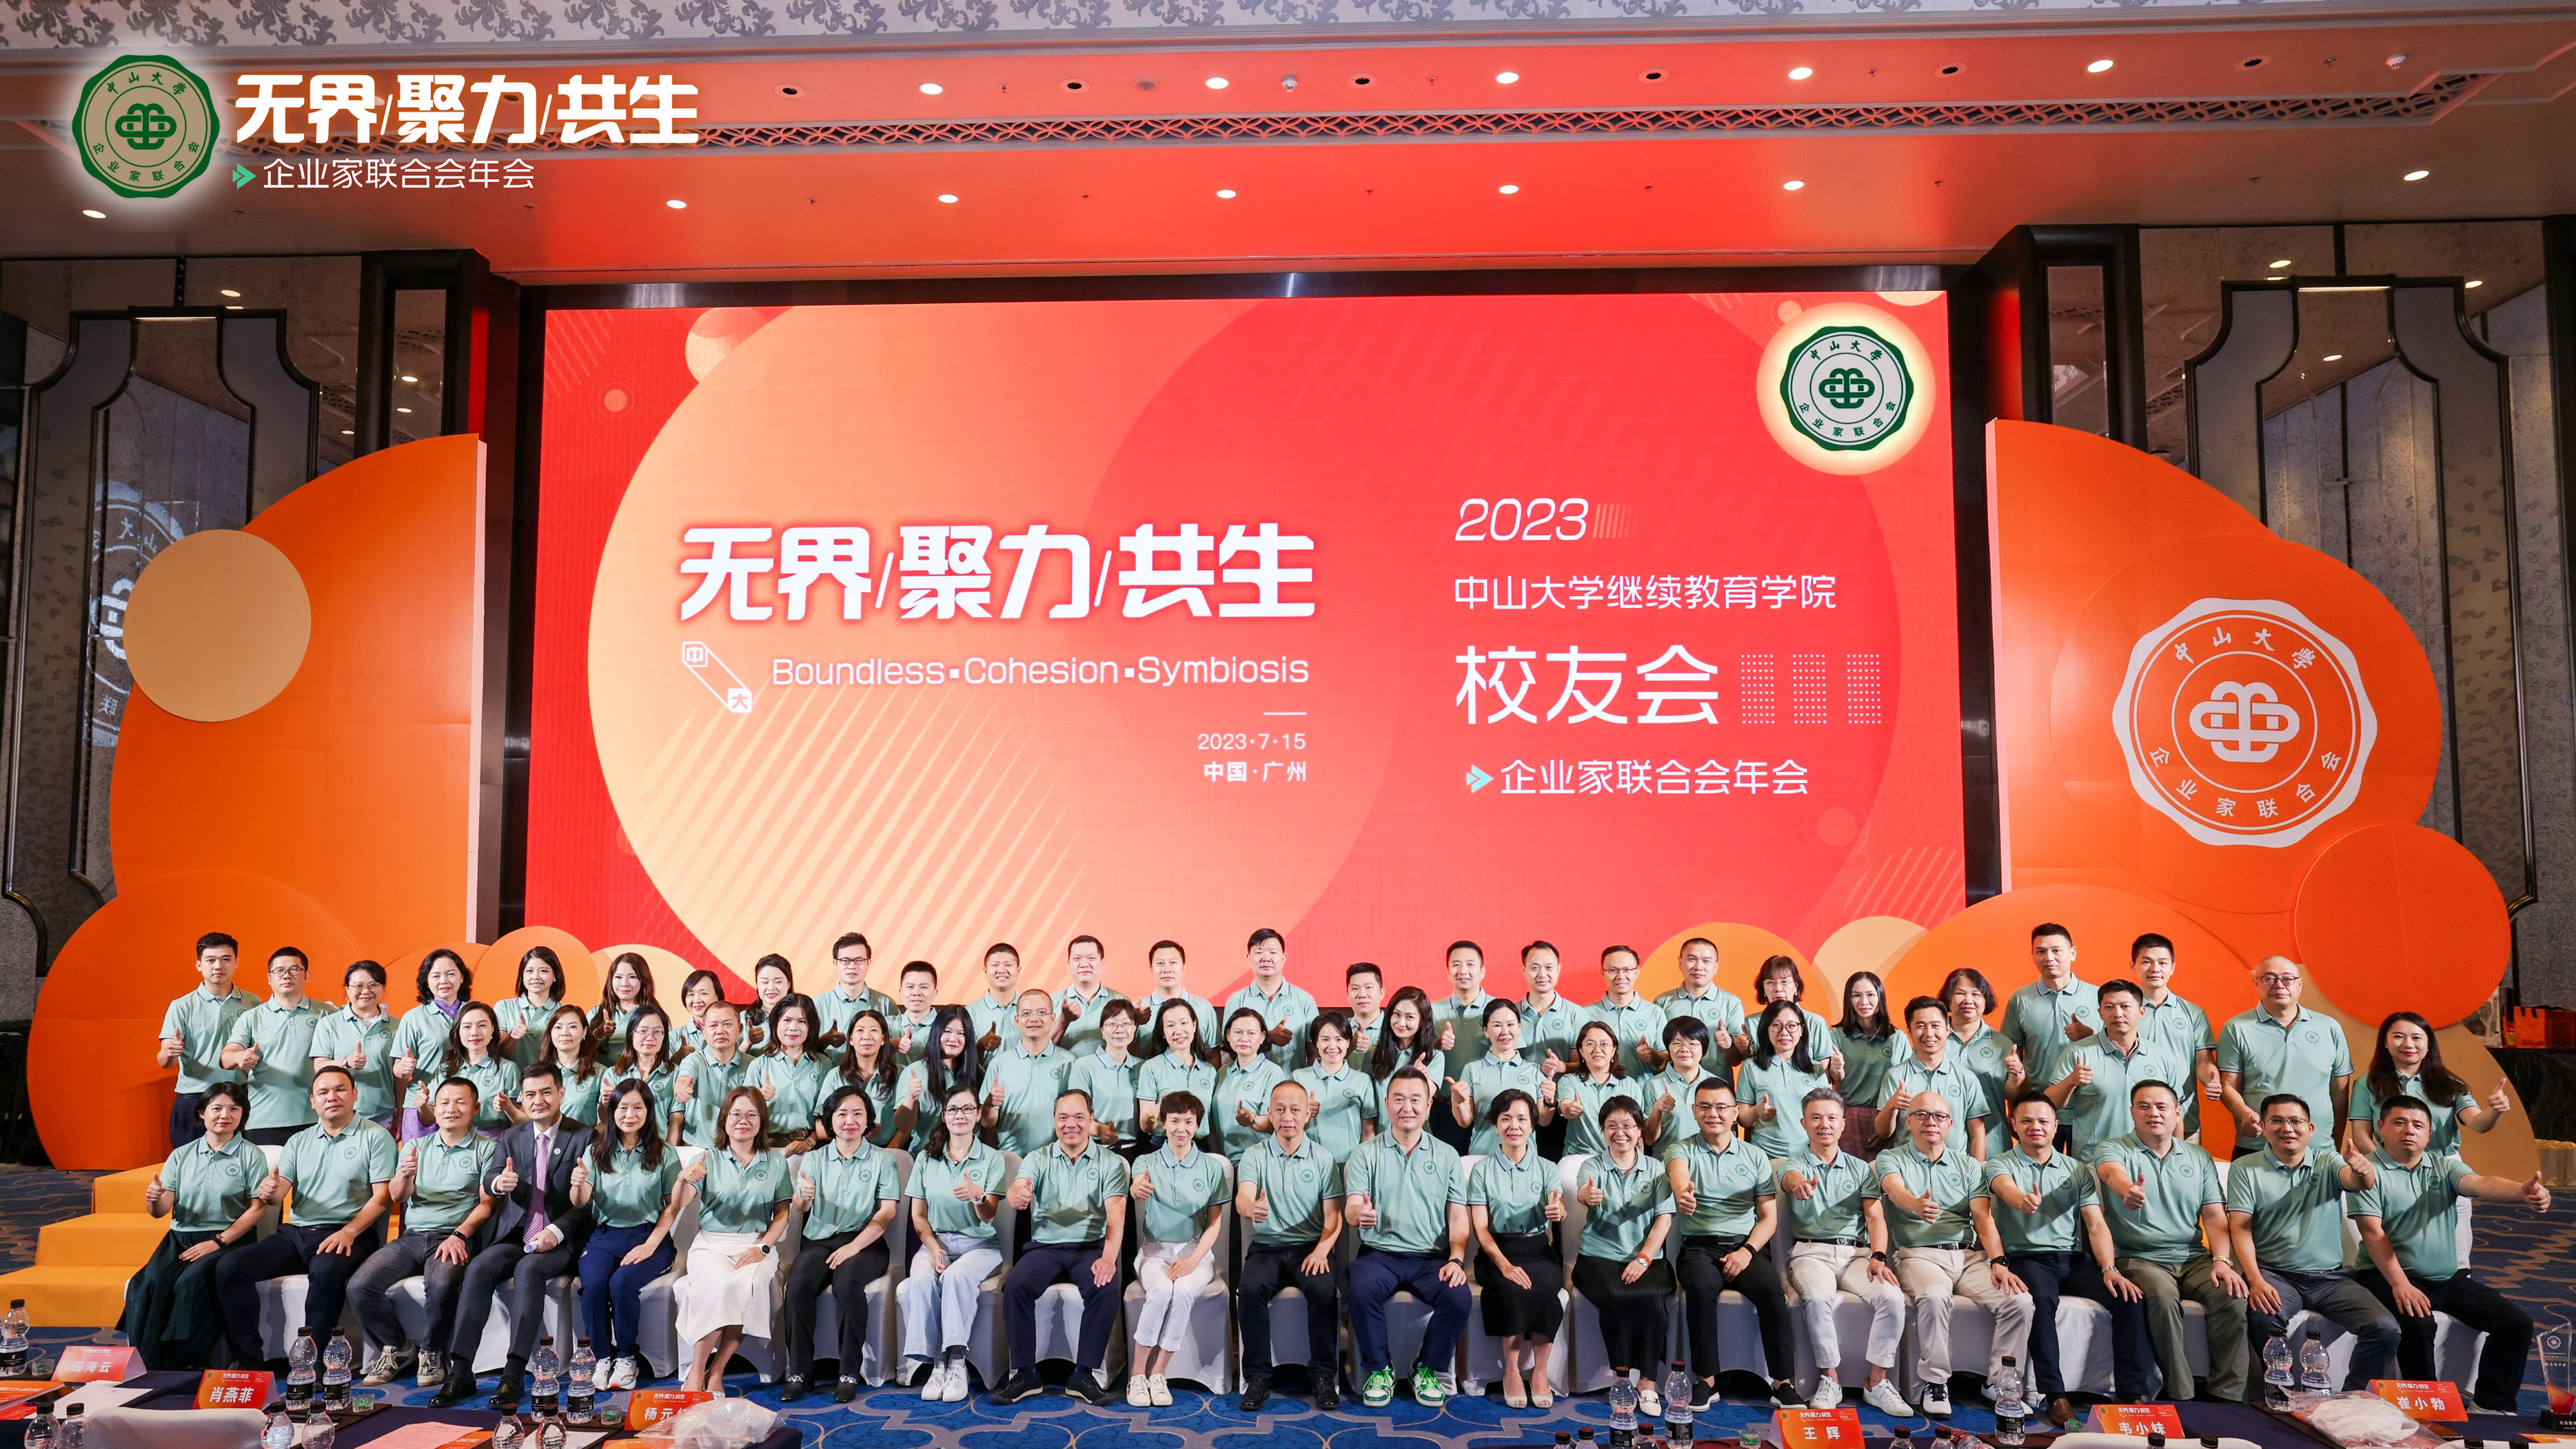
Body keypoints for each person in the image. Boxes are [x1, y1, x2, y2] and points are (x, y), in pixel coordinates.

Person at [2351, 1095, 2550, 1414]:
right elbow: (2373, 1232)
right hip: (2385, 1275)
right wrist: (2401, 1285)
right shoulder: (2367, 1172)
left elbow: (2480, 1184)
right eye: (2399, 1122)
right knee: (2418, 1323)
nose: (2409, 1130)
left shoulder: (2443, 1165)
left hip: (2446, 1279)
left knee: (2516, 1323)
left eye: (2418, 1125)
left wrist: (2521, 1192)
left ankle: (2492, 1407)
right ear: (2381, 1127)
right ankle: (2428, 1409)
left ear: (2429, 1133)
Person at [432, 1062, 595, 1410]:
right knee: (478, 1268)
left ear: (561, 1093)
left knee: (529, 1269)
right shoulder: (511, 1136)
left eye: (546, 1092)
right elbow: (492, 1174)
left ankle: (514, 1372)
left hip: (560, 1238)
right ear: (522, 1098)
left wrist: (555, 1231)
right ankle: (460, 1371)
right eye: (530, 1094)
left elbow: (588, 1204)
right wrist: (497, 1183)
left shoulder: (584, 1137)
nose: (538, 1100)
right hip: (516, 1233)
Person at [213, 1066, 397, 1371]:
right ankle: (251, 1362)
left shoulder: (376, 1138)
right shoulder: (299, 1141)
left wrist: (349, 1232)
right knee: (230, 1268)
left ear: (355, 1094)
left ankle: (316, 1368)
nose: (332, 1097)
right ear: (313, 1101)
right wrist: (269, 1191)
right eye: (323, 1092)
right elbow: (278, 1194)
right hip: (298, 1233)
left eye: (340, 1090)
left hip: (348, 1234)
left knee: (325, 1274)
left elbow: (382, 1198)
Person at [1984, 1094, 2151, 1422]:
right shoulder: (2000, 1163)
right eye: (2026, 1121)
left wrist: (2110, 1269)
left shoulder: (2076, 1169)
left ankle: (2131, 1392)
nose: (2035, 1127)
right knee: (2040, 1301)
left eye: (2043, 1121)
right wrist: (2022, 1201)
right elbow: (2004, 1189)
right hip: (2027, 1258)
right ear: (2014, 1125)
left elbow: (2095, 1223)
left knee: (2128, 1297)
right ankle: (2055, 1394)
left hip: (2073, 1260)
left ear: (2056, 1126)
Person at [1872, 1091, 2034, 1417]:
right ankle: (1935, 1382)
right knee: (1934, 1296)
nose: (1930, 1122)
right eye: (1921, 1115)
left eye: (1939, 1116)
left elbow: (1983, 1218)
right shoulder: (1892, 1158)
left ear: (1950, 1124)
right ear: (1908, 1122)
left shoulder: (1969, 1165)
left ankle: (2000, 1383)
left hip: (1967, 1257)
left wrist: (1998, 1262)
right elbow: (1893, 1188)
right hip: (1918, 1255)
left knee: (2019, 1301)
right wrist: (1916, 1204)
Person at [2089, 1080, 2249, 1401]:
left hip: (2193, 1258)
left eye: (2162, 1107)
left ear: (2177, 1113)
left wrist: (2222, 1261)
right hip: (2138, 1258)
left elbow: (2215, 1216)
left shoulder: (2199, 1156)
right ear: (2132, 1112)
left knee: (2232, 1296)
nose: (2154, 1113)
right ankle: (2181, 1394)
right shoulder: (2114, 1148)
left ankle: (2227, 1396)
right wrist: (2127, 1190)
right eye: (2144, 1106)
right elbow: (2110, 1172)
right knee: (2162, 1298)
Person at [2227, 1093, 2395, 1391]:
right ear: (2263, 1126)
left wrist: (2363, 1171)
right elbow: (2240, 1230)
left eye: (2296, 1121)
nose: (2287, 1128)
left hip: (2330, 1279)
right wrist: (2255, 1279)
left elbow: (2356, 1182)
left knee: (2385, 1328)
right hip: (2276, 1275)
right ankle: (2282, 1395)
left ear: (2311, 1128)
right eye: (2277, 1121)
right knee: (2264, 1319)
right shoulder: (2245, 1167)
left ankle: (2354, 1397)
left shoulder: (2328, 1161)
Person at [350, 1077, 496, 1390]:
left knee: (440, 1284)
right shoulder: (417, 1146)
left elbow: (487, 1205)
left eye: (460, 1102)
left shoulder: (487, 1149)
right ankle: (398, 1346)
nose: (451, 1109)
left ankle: (431, 1351)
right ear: (434, 1109)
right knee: (360, 1287)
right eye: (444, 1103)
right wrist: (404, 1176)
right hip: (413, 1236)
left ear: (475, 1109)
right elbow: (397, 1195)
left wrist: (460, 1235)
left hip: (455, 1236)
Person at [1774, 1088, 1911, 1415]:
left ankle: (1877, 1383)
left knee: (1893, 1298)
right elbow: (1790, 1178)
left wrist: (1878, 1256)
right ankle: (1830, 1379)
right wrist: (1799, 1184)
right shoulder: (1794, 1164)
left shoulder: (1861, 1168)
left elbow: (1875, 1218)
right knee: (1818, 1297)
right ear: (1804, 1123)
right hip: (1810, 1253)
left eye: (1832, 1118)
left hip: (1856, 1256)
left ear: (1843, 1124)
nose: (1825, 1124)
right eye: (1816, 1118)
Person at [1668, 1080, 1800, 1410]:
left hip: (1746, 1247)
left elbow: (1768, 1218)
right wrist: (1684, 1194)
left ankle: (1783, 1383)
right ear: (1694, 1111)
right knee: (1700, 1288)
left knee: (1772, 1291)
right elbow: (1679, 1174)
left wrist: (1747, 1252)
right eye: (1705, 1107)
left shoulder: (1755, 1156)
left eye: (1721, 1107)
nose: (1713, 1114)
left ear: (1736, 1112)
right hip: (1699, 1248)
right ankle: (1707, 1380)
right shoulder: (1681, 1149)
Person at [994, 1088, 1130, 1406]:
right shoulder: (1038, 1157)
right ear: (1054, 1120)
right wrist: (1018, 1195)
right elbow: (1018, 1188)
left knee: (1105, 1286)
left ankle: (1083, 1374)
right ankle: (1026, 1374)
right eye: (1064, 1117)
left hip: (1089, 1247)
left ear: (1091, 1119)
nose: (1071, 1124)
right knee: (1015, 1285)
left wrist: (1108, 1258)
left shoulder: (1110, 1162)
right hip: (1046, 1247)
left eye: (1079, 1117)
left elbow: (1116, 1215)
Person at [1345, 1068, 1471, 1409]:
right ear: (1387, 1104)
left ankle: (1426, 1368)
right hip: (1379, 1254)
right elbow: (1352, 1207)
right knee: (1361, 1289)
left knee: (1459, 1298)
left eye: (1416, 1100)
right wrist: (1359, 1214)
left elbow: (1458, 1217)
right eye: (1399, 1099)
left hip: (1431, 1257)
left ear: (1428, 1105)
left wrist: (1456, 1259)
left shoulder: (1447, 1155)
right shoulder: (1365, 1153)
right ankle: (1379, 1369)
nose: (1407, 1107)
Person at [122, 1082, 266, 1369]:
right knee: (149, 1283)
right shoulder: (181, 1155)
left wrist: (218, 1242)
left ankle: (187, 1361)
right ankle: (149, 1361)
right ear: (202, 1113)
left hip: (229, 1239)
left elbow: (258, 1208)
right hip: (180, 1238)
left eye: (234, 1109)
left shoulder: (251, 1155)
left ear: (242, 1115)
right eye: (217, 1108)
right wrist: (154, 1199)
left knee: (191, 1283)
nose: (225, 1115)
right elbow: (161, 1211)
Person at [779, 1086, 901, 1401]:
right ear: (829, 1121)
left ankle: (848, 1372)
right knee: (798, 1284)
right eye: (842, 1114)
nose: (850, 1120)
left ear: (868, 1120)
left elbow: (887, 1212)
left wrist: (854, 1247)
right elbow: (800, 1206)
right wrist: (803, 1197)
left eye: (858, 1114)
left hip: (867, 1243)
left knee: (847, 1284)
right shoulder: (814, 1159)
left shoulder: (882, 1159)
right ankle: (799, 1372)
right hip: (819, 1241)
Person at [671, 1086, 794, 1393]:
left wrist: (762, 1247)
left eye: (752, 1114)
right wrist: (683, 1178)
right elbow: (681, 1201)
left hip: (757, 1243)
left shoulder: (775, 1162)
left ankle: (716, 1372)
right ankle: (696, 1373)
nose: (743, 1120)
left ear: (761, 1121)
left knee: (746, 1286)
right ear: (724, 1120)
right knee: (720, 1286)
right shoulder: (707, 1158)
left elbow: (782, 1214)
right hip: (711, 1244)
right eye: (736, 1114)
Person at [1236, 1080, 1347, 1411]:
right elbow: (1243, 1198)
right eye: (1280, 1110)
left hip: (1311, 1247)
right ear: (1269, 1114)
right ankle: (1258, 1377)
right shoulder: (1255, 1155)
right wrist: (1251, 1209)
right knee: (1250, 1289)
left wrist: (1322, 1251)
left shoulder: (1323, 1158)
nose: (1288, 1117)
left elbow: (1334, 1216)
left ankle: (1323, 1375)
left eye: (1295, 1110)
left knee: (1324, 1291)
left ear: (1307, 1114)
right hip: (1267, 1247)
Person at [571, 1078, 683, 1396]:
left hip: (650, 1237)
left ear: (649, 1111)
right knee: (593, 1286)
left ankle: (626, 1357)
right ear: (612, 1112)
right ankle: (601, 1357)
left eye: (638, 1107)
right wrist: (578, 1183)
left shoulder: (665, 1153)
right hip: (605, 1236)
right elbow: (580, 1201)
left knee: (621, 1284)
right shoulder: (596, 1151)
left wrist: (650, 1245)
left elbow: (672, 1207)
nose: (630, 1115)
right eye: (623, 1108)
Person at [898, 1083, 1008, 1401]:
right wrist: (935, 1251)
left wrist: (978, 1195)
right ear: (944, 1116)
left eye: (968, 1109)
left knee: (956, 1277)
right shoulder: (926, 1158)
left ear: (978, 1114)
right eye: (954, 1109)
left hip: (980, 1245)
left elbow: (988, 1216)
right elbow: (918, 1217)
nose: (961, 1115)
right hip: (935, 1242)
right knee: (920, 1278)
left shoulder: (992, 1158)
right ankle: (937, 1363)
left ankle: (957, 1361)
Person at [1571, 1095, 1676, 1417]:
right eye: (1612, 1126)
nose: (1620, 1133)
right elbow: (1584, 1191)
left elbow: (1664, 1220)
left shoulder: (1656, 1169)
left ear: (1640, 1130)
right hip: (1598, 1257)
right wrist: (1588, 1196)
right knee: (1616, 1295)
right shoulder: (1592, 1166)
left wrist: (1643, 1258)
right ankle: (1621, 1380)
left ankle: (1647, 1382)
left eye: (1628, 1125)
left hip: (1647, 1257)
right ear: (1603, 1131)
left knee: (1652, 1297)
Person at [1128, 1092, 1230, 1406]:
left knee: (1183, 1290)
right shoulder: (1146, 1161)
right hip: (1153, 1251)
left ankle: (1158, 1374)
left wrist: (1193, 1260)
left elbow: (1214, 1225)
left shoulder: (1211, 1167)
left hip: (1196, 1251)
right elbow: (1136, 1185)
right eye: (1174, 1121)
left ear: (1197, 1125)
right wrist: (1137, 1188)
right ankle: (1136, 1375)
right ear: (1163, 1123)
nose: (1181, 1129)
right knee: (1161, 1291)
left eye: (1188, 1122)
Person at [1468, 1088, 1565, 1409]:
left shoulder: (1547, 1168)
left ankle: (1540, 1372)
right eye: (1506, 1118)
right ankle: (1511, 1370)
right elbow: (1481, 1229)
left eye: (1522, 1119)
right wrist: (1505, 1266)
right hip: (1496, 1251)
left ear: (1532, 1126)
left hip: (1538, 1249)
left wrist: (1558, 1210)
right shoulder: (1482, 1171)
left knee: (1545, 1289)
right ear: (1496, 1126)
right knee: (1512, 1288)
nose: (1514, 1125)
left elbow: (1557, 1203)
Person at [2217, 956, 2353, 1154]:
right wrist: (2244, 1114)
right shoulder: (2236, 1028)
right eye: (2269, 978)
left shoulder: (2329, 1027)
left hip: (2319, 1149)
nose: (2279, 985)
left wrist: (2335, 1143)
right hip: (2257, 1148)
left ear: (2300, 984)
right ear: (2256, 983)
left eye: (2288, 979)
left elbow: (2340, 1094)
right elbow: (2228, 1086)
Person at [2049, 980, 2191, 1153]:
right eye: (2109, 1007)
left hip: (2149, 1159)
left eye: (2125, 1007)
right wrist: (2071, 1081)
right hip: (2093, 1159)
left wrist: (2177, 1156)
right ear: (2100, 1013)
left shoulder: (2163, 1057)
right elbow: (2050, 1103)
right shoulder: (2077, 1053)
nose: (2118, 1014)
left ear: (2141, 1012)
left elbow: (2175, 1114)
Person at [2349, 1011, 2511, 1157]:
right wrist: (2386, 1167)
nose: (2408, 1044)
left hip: (2445, 1167)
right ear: (2385, 1042)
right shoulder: (2367, 1084)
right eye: (2398, 1037)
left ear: (2429, 1045)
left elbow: (2478, 1123)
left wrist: (2495, 1110)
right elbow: (2361, 1137)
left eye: (2417, 1038)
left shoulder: (2449, 1084)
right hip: (2389, 1167)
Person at [222, 946, 324, 1145]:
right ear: (269, 978)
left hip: (317, 1116)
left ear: (307, 975)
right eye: (279, 971)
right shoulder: (251, 1018)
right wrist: (239, 1057)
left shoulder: (326, 1013)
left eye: (295, 969)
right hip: (264, 1119)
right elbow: (226, 1057)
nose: (287, 975)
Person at [156, 932, 250, 1147]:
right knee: (190, 1163)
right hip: (194, 1097)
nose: (218, 966)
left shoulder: (252, 1002)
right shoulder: (181, 1006)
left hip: (237, 1096)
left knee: (237, 1163)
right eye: (211, 960)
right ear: (199, 965)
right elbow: (164, 1061)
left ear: (236, 962)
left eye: (226, 959)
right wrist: (170, 1053)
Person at [2128, 935, 2220, 1136]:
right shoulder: (2122, 1012)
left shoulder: (2193, 1013)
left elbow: (2204, 1062)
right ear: (2133, 966)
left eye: (2163, 963)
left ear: (2172, 968)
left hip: (2184, 1119)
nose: (2155, 969)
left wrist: (2212, 1081)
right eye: (2147, 962)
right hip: (2132, 1122)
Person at [1879, 997, 1991, 1159]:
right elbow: (1882, 1133)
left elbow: (1977, 1133)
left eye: (1935, 1026)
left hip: (1956, 1168)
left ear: (1947, 1029)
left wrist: (1976, 1171)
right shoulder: (1895, 1076)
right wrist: (1891, 1106)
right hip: (1907, 1166)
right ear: (1909, 1031)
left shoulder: (1967, 1078)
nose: (1929, 1033)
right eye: (1920, 1026)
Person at [2002, 924, 2099, 1098]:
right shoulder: (2020, 999)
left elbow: (2119, 1047)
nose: (2049, 958)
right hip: (2038, 1104)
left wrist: (2092, 1036)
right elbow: (2013, 1057)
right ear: (2033, 955)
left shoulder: (2099, 996)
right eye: (2041, 952)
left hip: (2089, 1102)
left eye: (2056, 951)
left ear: (2073, 953)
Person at [986, 988, 1077, 1157]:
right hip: (1011, 1158)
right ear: (1017, 1020)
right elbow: (986, 1123)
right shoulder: (999, 1063)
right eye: (1026, 1013)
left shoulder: (1071, 1062)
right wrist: (989, 1104)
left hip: (1058, 1158)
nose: (1034, 1019)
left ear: (1053, 1018)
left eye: (1041, 1012)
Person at [1740, 1001, 1837, 1160]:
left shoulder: (1816, 1069)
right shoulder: (1751, 1066)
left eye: (1792, 1026)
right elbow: (1743, 1118)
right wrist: (1757, 1111)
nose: (1784, 1032)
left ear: (1802, 1030)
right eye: (1776, 1025)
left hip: (1808, 1157)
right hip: (1765, 1157)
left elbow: (1827, 1115)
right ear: (1766, 1029)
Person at [1455, 998, 1550, 1159]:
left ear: (1519, 1028)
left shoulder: (1535, 1070)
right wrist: (1457, 1102)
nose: (1505, 1032)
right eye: (1497, 1025)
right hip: (1482, 1156)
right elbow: (1465, 1121)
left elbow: (1543, 1121)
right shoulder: (1472, 1070)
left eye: (1511, 1025)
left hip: (1524, 1159)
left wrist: (1550, 1102)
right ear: (1486, 1031)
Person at [394, 950, 472, 1138]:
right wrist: (403, 1067)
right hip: (422, 1102)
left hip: (462, 1104)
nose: (444, 981)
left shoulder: (475, 1013)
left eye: (451, 974)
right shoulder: (413, 1018)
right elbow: (398, 1071)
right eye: (436, 976)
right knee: (417, 1156)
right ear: (427, 981)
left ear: (462, 978)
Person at [313, 960, 399, 1128]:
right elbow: (319, 1067)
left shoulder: (397, 1026)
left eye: (373, 985)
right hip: (336, 1115)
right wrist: (346, 1062)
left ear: (383, 988)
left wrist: (401, 1116)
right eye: (358, 985)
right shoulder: (328, 1024)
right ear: (347, 989)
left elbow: (399, 1078)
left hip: (382, 1116)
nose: (366, 991)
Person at [1941, 969, 2020, 1148]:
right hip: (1943, 1144)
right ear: (1948, 998)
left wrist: (2018, 1073)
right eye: (1960, 993)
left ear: (1985, 1000)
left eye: (1976, 994)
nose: (1968, 1000)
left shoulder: (2002, 1044)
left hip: (1992, 1141)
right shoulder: (1934, 1039)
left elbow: (2014, 1097)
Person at [1225, 927, 1320, 1069]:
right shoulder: (1237, 1001)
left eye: (1273, 952)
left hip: (1292, 1081)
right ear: (1249, 958)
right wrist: (1269, 1038)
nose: (1266, 958)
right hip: (1249, 1081)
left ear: (1283, 958)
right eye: (1259, 953)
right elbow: (1231, 1052)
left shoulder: (1305, 1000)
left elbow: (1314, 1050)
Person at [1829, 972, 1897, 1159]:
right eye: (1856, 996)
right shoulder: (1836, 1035)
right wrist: (1836, 1070)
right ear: (1848, 1000)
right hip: (1848, 1116)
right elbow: (1831, 1077)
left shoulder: (1897, 1037)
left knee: (1885, 1173)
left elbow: (1905, 1082)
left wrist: (1885, 1122)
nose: (1864, 1002)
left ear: (1880, 997)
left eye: (1870, 995)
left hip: (1887, 1115)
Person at [1294, 1012, 1378, 1161]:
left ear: (1348, 1042)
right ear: (1316, 1042)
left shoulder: (1362, 1081)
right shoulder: (1298, 1078)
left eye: (1339, 1039)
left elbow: (1368, 1132)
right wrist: (1301, 1112)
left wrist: (1360, 1164)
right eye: (1325, 1039)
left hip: (1350, 1163)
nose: (1332, 1046)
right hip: (1308, 1162)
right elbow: (1287, 1124)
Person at [1137, 997, 1221, 1141]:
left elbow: (1211, 1124)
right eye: (1170, 1025)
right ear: (1163, 1032)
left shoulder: (1209, 1071)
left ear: (1194, 1025)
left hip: (1201, 1146)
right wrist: (1154, 1113)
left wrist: (1215, 1152)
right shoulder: (1151, 1068)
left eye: (1184, 1023)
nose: (1178, 1031)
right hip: (1164, 1144)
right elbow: (1145, 1126)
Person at [673, 998, 755, 1147]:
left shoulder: (753, 1065)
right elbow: (683, 1080)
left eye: (727, 1024)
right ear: (704, 1031)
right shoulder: (694, 1060)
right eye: (713, 1025)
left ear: (740, 1029)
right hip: (697, 1147)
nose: (720, 1031)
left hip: (740, 1148)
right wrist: (682, 1090)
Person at [753, 993, 830, 1151]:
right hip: (769, 1147)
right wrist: (758, 1098)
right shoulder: (759, 1065)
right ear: (776, 1023)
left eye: (802, 1021)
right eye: (787, 1020)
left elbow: (828, 1115)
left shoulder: (824, 1064)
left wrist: (809, 1143)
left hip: (813, 1148)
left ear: (811, 1027)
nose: (793, 1028)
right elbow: (743, 1115)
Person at [1071, 1001, 1146, 1155]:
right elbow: (1076, 1115)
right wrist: (1099, 1130)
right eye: (1112, 1024)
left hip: (1136, 1150)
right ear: (1102, 1031)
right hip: (1095, 1149)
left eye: (1126, 1023)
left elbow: (1149, 1116)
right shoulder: (1084, 1066)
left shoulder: (1144, 1067)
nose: (1120, 1029)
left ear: (1135, 1028)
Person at [1214, 1006, 1288, 1162]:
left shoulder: (1272, 1072)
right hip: (1223, 1161)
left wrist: (1252, 1119)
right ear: (1228, 1035)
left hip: (1257, 1161)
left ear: (1262, 1037)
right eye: (1238, 1032)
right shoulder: (1222, 1072)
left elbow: (1273, 1122)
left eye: (1251, 1033)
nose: (1244, 1038)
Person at [440, 1002, 523, 1135]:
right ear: (458, 1031)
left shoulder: (508, 1069)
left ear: (493, 1029)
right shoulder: (445, 1069)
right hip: (452, 1140)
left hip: (495, 1141)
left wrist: (507, 1108)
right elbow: (429, 1118)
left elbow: (517, 1122)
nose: (475, 1033)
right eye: (467, 1027)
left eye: (482, 1026)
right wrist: (422, 1104)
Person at [1657, 936, 1745, 1061]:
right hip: (1673, 1074)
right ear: (1680, 962)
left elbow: (1736, 1060)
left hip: (1717, 1074)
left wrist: (1730, 1044)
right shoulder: (1662, 1002)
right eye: (1692, 959)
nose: (1698, 967)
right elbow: (1658, 1054)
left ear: (1716, 967)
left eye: (1706, 961)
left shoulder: (1731, 1003)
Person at [1640, 1017, 1716, 1159]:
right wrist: (1658, 1109)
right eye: (1677, 1043)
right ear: (1668, 1048)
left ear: (1703, 1048)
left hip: (1708, 1164)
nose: (1684, 1049)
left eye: (1692, 1044)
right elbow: (1649, 1139)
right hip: (1666, 1163)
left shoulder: (1717, 1085)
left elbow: (1729, 1132)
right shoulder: (1653, 1085)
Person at [1555, 1021, 1630, 1164]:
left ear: (1613, 1049)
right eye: (1590, 1044)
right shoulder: (1569, 1081)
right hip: (1579, 1159)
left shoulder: (1630, 1085)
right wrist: (1570, 1109)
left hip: (1620, 1159)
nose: (1597, 1049)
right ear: (1581, 1050)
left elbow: (1638, 1133)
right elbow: (1565, 1107)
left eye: (1604, 1044)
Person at [1587, 945, 1668, 1077]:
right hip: (1599, 1089)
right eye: (1613, 970)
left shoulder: (1655, 1012)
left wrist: (1652, 1055)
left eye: (1627, 970)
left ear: (1637, 972)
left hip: (1644, 1089)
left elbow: (1666, 1062)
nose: (1621, 976)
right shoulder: (1586, 1014)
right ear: (1602, 972)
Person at [1368, 988, 1443, 1126]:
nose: (1401, 1023)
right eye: (1397, 1014)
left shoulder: (1435, 1057)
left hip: (1413, 1134)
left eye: (1410, 1017)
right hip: (1380, 1134)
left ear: (1422, 1021)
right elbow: (1366, 1103)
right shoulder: (1374, 1053)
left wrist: (1416, 1077)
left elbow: (1423, 1102)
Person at [1430, 939, 1496, 1095]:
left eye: (1470, 964)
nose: (1463, 971)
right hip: (1444, 1099)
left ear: (1482, 971)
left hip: (1486, 1099)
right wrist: (1436, 1045)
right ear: (1448, 972)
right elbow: (1415, 1053)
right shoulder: (1432, 1010)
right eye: (1456, 965)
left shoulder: (1499, 1009)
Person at [1515, 942, 1587, 1085]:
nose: (1542, 974)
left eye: (1549, 967)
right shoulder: (1511, 1013)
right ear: (1524, 970)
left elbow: (1583, 1065)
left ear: (1558, 969)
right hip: (1520, 1093)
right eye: (1535, 968)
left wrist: (1563, 1067)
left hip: (1563, 1093)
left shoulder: (1576, 1014)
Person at [1138, 940, 1221, 1059]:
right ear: (1151, 969)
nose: (1167, 969)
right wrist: (1134, 1020)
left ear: (1184, 967)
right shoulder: (1138, 1010)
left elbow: (1213, 1055)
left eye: (1173, 963)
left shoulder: (1204, 1008)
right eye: (1160, 963)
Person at [1750, 957, 1836, 1070]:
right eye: (1771, 982)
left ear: (1796, 986)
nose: (1778, 989)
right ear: (1764, 988)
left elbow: (1823, 1071)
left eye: (1784, 982)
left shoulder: (1815, 1022)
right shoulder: (1751, 1023)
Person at [834, 1009, 903, 1147]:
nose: (867, 1037)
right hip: (845, 1149)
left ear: (883, 1039)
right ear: (851, 1039)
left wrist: (888, 1153)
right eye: (860, 1030)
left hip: (887, 1149)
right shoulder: (836, 1075)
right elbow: (821, 1125)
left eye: (873, 1030)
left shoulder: (900, 1073)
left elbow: (906, 1125)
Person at [493, 946, 567, 1073]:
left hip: (550, 1081)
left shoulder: (564, 1012)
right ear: (522, 976)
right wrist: (513, 1037)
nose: (536, 977)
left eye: (543, 971)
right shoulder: (504, 1007)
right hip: (512, 1080)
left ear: (554, 975)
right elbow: (496, 1054)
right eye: (529, 971)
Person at [605, 1004, 682, 1125]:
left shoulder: (676, 1074)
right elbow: (605, 1120)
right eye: (643, 1031)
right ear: (631, 1034)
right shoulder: (613, 1074)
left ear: (664, 1036)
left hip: (660, 1138)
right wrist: (605, 1104)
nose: (650, 1038)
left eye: (657, 1032)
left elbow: (676, 1122)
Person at [815, 932, 895, 1046]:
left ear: (868, 963)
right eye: (845, 960)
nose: (852, 966)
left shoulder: (886, 1004)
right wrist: (824, 1041)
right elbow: (803, 1048)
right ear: (835, 964)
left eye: (859, 960)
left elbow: (895, 1045)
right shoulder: (817, 1004)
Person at [536, 1005, 605, 1131]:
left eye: (572, 1027)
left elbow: (608, 1120)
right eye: (558, 1027)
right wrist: (508, 1108)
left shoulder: (600, 1073)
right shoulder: (537, 1072)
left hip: (583, 1141)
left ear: (584, 1032)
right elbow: (525, 1118)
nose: (565, 1033)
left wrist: (589, 1139)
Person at [1055, 935, 1124, 1058]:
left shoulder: (1121, 1001)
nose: (1084, 964)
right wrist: (1063, 1021)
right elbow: (1040, 1048)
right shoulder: (1052, 1002)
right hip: (1064, 1070)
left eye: (1091, 958)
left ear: (1103, 963)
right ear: (1068, 965)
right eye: (1077, 959)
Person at [590, 951, 660, 1061]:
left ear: (643, 980)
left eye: (632, 977)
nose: (624, 984)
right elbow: (578, 1055)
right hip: (599, 1072)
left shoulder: (657, 1016)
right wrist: (599, 1033)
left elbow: (664, 1056)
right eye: (618, 977)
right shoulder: (595, 1013)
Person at [966, 942, 1026, 1051]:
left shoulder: (1032, 1010)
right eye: (995, 965)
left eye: (1008, 965)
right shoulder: (969, 1013)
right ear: (985, 972)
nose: (1002, 970)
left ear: (1018, 971)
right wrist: (980, 1046)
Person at [885, 961, 942, 1068]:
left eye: (924, 987)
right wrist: (894, 1044)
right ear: (901, 993)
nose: (916, 993)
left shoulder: (946, 1027)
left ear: (935, 993)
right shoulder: (888, 1025)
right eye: (910, 987)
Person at [742, 953, 799, 1055]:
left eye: (778, 982)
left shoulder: (802, 1016)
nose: (771, 988)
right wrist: (748, 1042)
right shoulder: (743, 1018)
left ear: (788, 984)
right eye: (765, 982)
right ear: (757, 985)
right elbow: (729, 1060)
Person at [1345, 960, 1390, 1059]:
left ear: (1382, 993)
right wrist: (1350, 1047)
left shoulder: (1394, 1028)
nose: (1362, 994)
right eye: (1355, 988)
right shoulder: (1339, 1030)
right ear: (1347, 994)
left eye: (1369, 987)